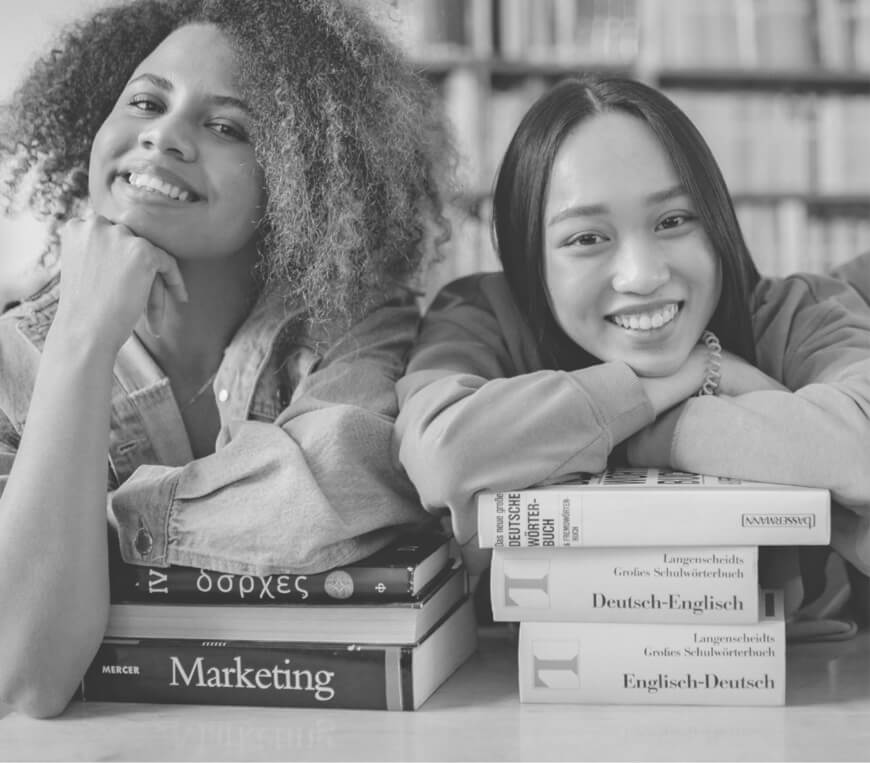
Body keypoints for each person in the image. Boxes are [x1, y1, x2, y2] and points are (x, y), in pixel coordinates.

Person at [0, 0, 453, 717]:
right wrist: (81, 345)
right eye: (147, 101)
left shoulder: (359, 329)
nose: (163, 137)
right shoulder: (9, 357)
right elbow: (21, 676)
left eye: (227, 127)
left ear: (301, 181)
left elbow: (331, 481)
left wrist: (83, 531)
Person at [395, 74, 870, 623]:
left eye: (673, 221)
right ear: (530, 257)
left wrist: (647, 435)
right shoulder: (481, 314)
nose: (643, 276)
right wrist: (689, 377)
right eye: (587, 238)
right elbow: (445, 453)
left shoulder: (797, 310)